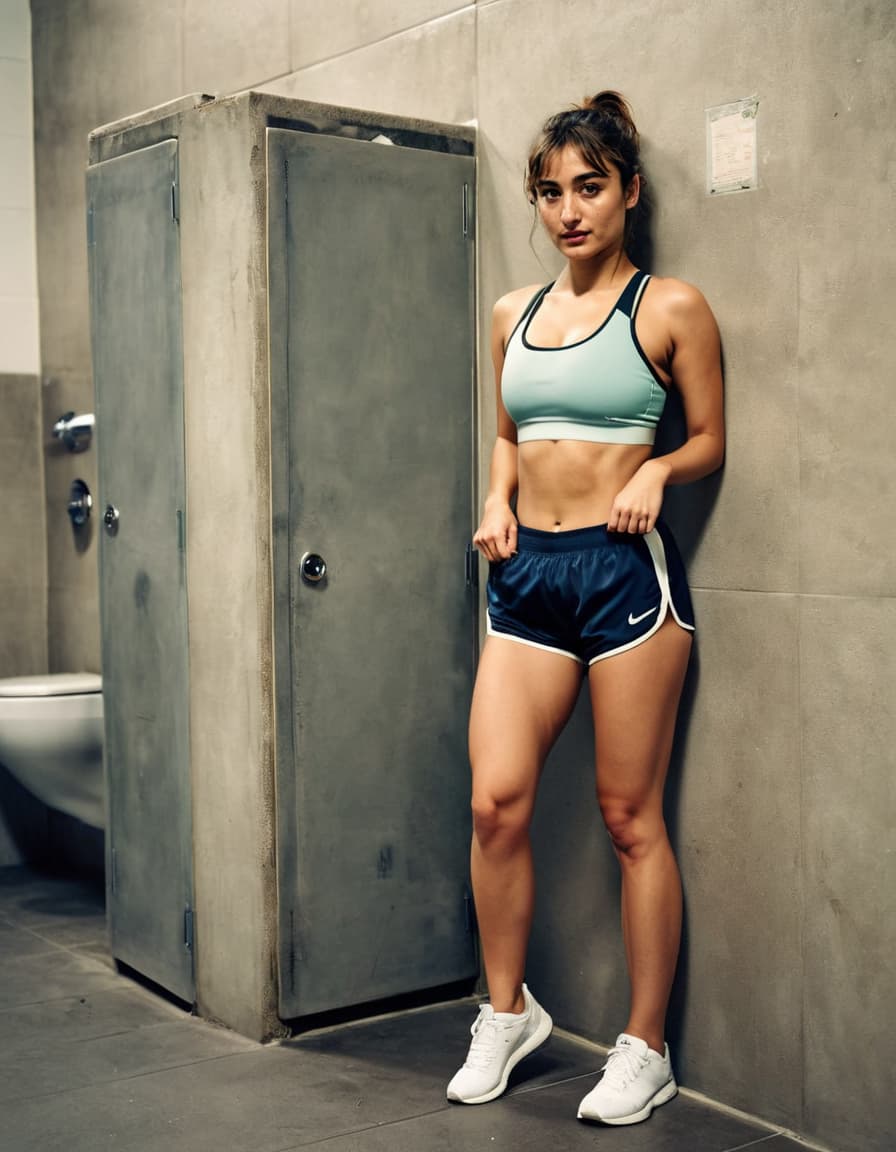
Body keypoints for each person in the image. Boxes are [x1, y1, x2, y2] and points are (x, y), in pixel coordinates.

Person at [446, 91, 724, 1126]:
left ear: (628, 191)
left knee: (626, 818)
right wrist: (493, 498)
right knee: (493, 802)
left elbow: (709, 437)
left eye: (588, 187)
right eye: (550, 191)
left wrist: (658, 467)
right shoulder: (508, 314)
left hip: (622, 579)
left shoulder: (669, 308)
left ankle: (643, 1045)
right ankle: (506, 1012)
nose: (567, 209)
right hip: (524, 581)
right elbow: (511, 433)